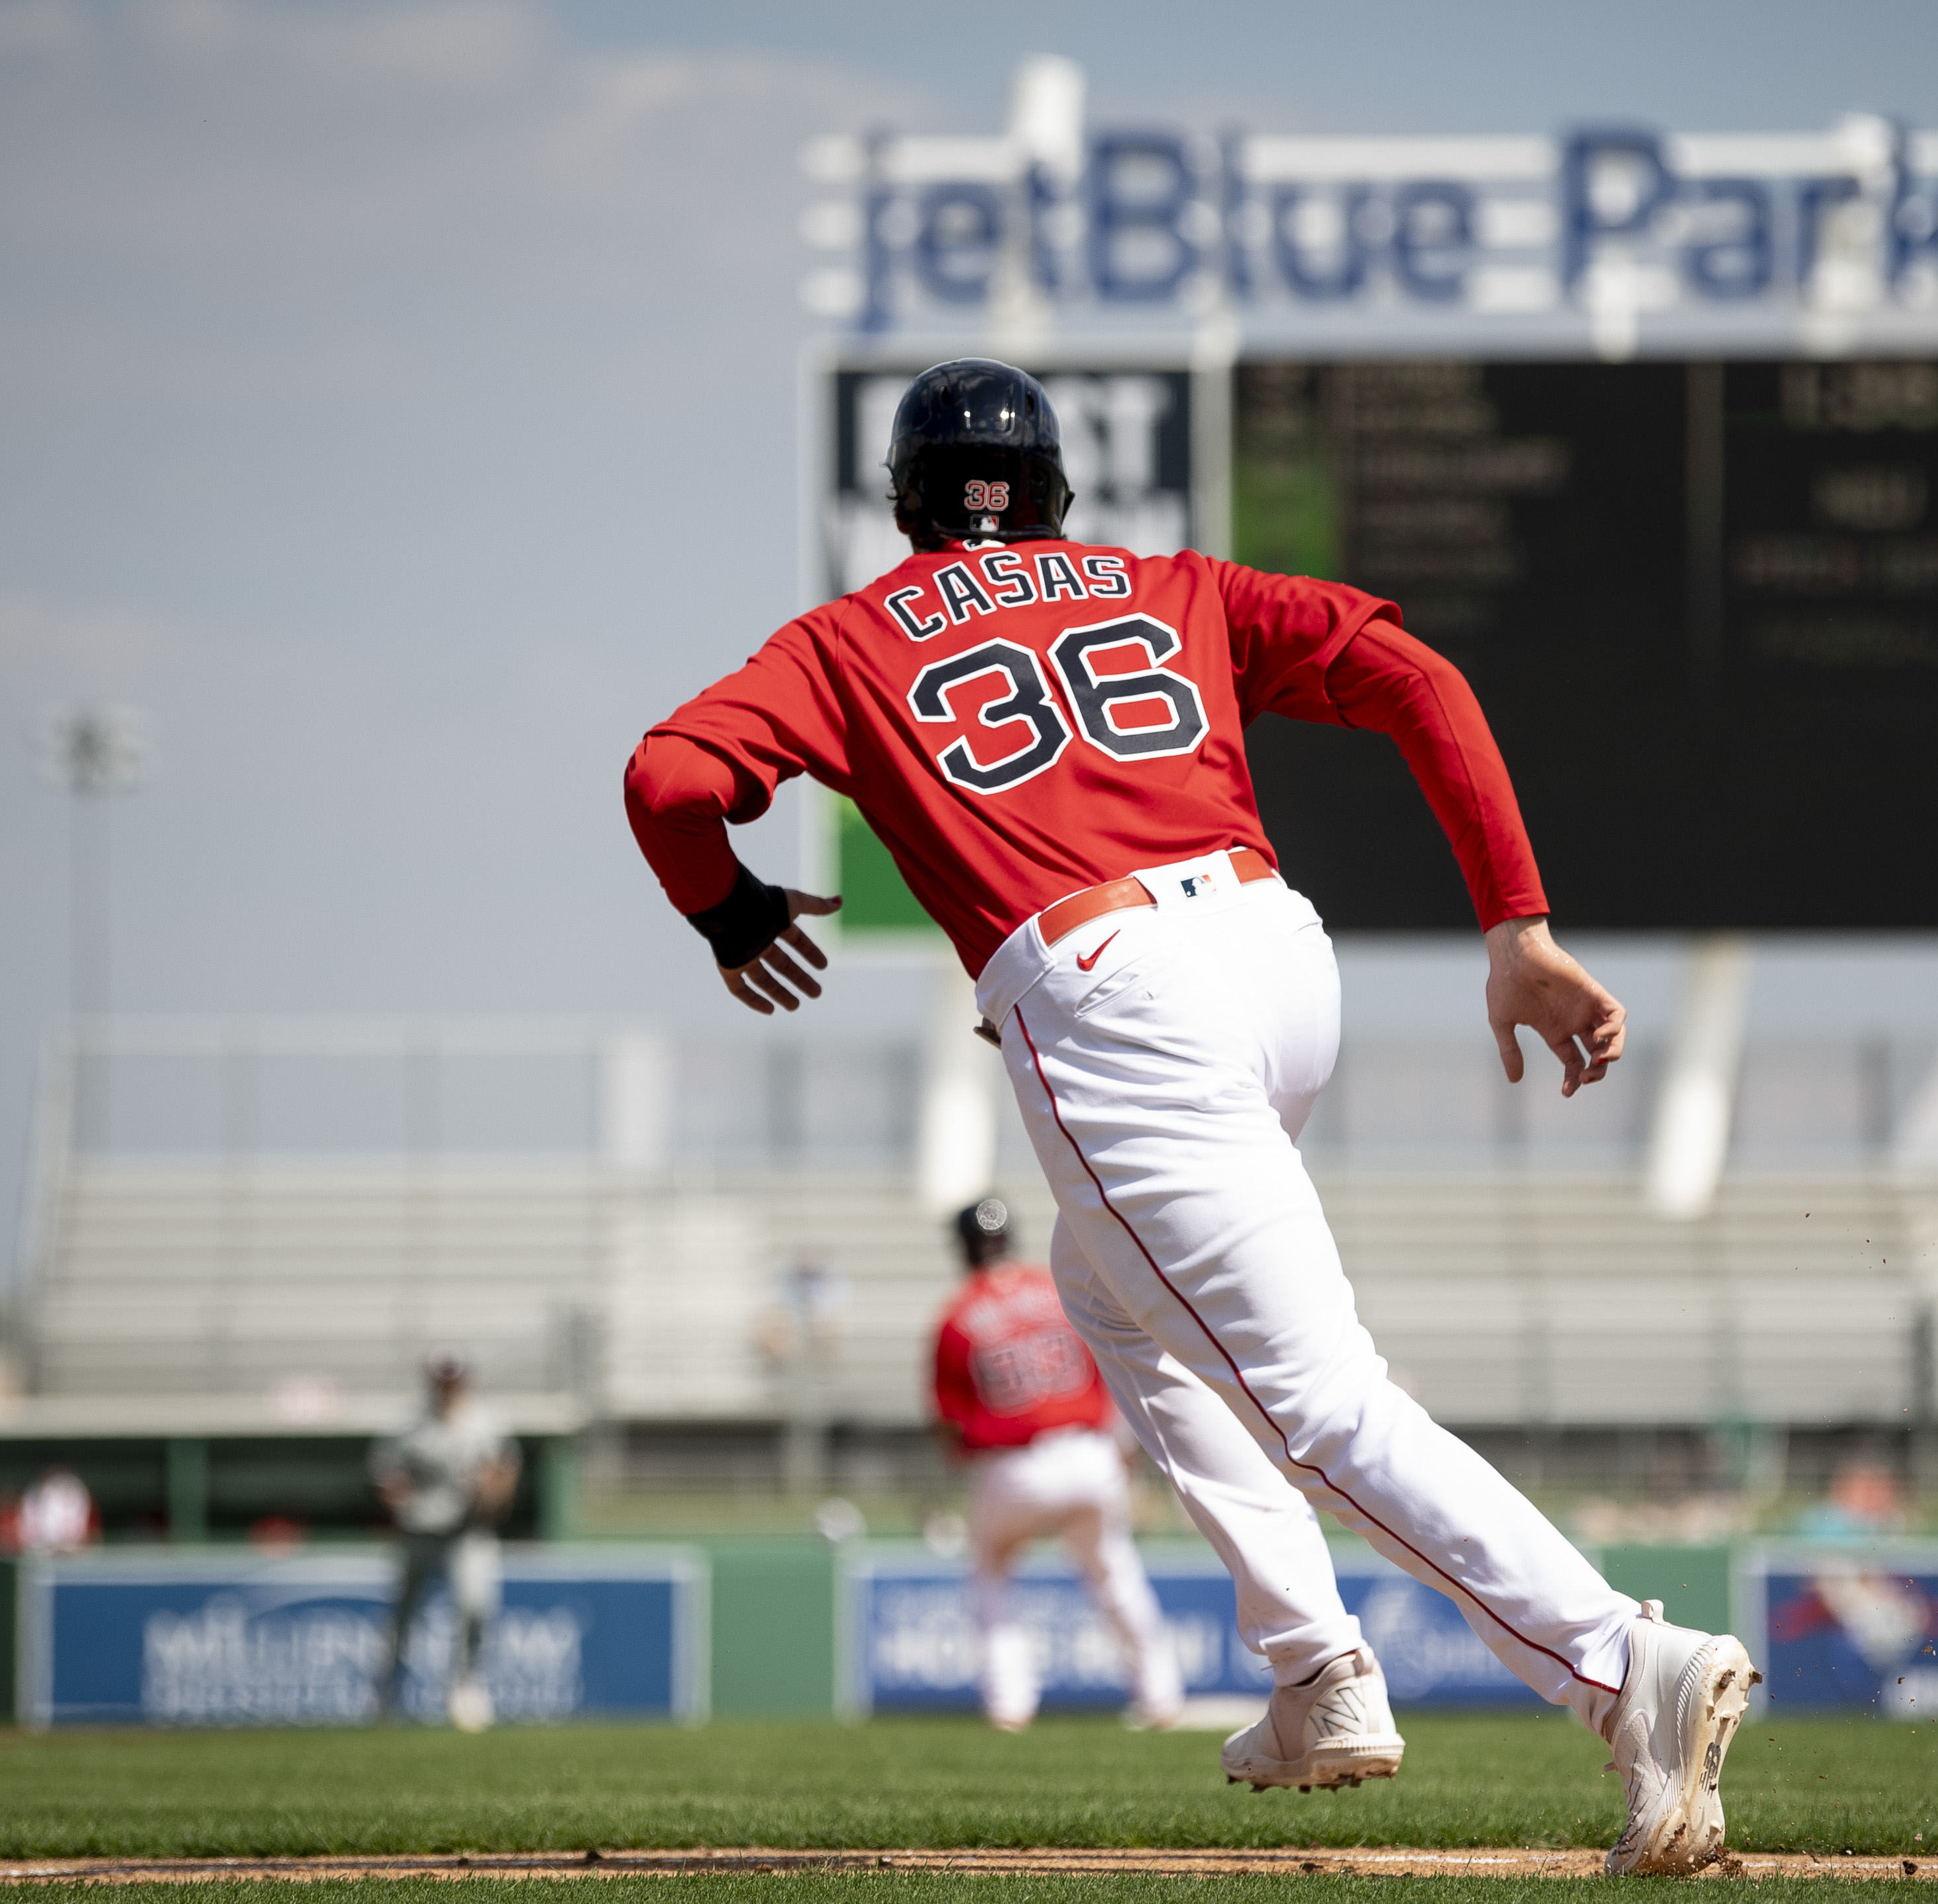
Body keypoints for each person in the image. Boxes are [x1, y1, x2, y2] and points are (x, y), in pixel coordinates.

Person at [624, 357, 1757, 1873]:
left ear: (903, 507)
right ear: (1054, 498)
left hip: (1109, 990)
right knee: (1108, 1292)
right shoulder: (1169, 582)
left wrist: (728, 903)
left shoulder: (845, 639)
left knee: (1319, 1401)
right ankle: (1313, 1669)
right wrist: (1513, 921)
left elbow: (665, 778)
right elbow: (1420, 676)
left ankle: (1628, 1670)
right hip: (1274, 954)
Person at [933, 1194, 1183, 1731]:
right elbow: (1109, 1370)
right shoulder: (1054, 1290)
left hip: (1016, 1464)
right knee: (1114, 1572)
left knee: (990, 1572)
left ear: (965, 1249)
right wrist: (1122, 1453)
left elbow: (950, 1424)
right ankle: (1160, 1696)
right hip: (1090, 1451)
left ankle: (1009, 1705)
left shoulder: (957, 1316)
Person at [370, 1351, 519, 1731]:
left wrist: (493, 1494)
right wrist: (397, 1498)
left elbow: (503, 1472)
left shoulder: (483, 1423)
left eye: (455, 1382)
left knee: (475, 1608)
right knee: (405, 1616)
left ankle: (466, 1688)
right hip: (419, 1532)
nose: (449, 1389)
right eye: (443, 1382)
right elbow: (386, 1475)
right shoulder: (410, 1425)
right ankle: (387, 1692)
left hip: (468, 1531)